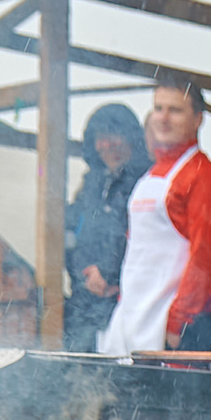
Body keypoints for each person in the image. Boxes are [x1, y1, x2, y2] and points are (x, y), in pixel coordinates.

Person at [98, 76, 211, 354]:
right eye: (158, 108)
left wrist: (176, 324)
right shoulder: (148, 176)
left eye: (175, 110)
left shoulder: (205, 177)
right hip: (136, 320)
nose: (164, 118)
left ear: (198, 119)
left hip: (180, 329)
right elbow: (136, 255)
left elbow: (205, 258)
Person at [62, 102, 145, 352]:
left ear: (131, 138)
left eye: (116, 136)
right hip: (84, 301)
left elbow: (140, 241)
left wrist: (109, 274)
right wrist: (84, 272)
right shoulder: (90, 186)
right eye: (101, 138)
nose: (109, 145)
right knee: (78, 372)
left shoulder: (145, 184)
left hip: (125, 302)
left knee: (119, 375)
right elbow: (68, 236)